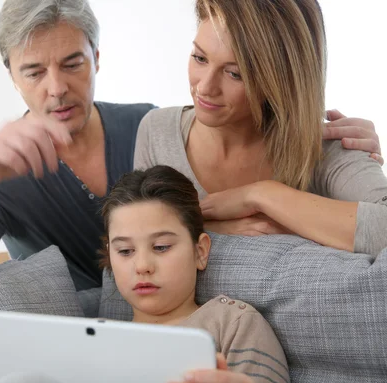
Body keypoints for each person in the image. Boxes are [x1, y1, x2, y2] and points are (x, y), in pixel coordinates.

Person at [0, 0, 383, 289]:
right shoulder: (4, 172)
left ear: (97, 58)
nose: (56, 88)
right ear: (11, 77)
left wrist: (309, 145)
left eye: (73, 63)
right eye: (34, 72)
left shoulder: (143, 125)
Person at [0, 166, 289, 383]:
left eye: (161, 247)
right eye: (126, 251)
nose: (142, 266)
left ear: (200, 251)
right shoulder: (95, 339)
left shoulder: (232, 322)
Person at [135, 0, 387, 256]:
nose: (204, 88)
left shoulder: (328, 146)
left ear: (281, 79)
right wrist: (212, 227)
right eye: (200, 58)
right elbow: (135, 240)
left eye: (234, 74)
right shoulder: (157, 131)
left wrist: (261, 195)